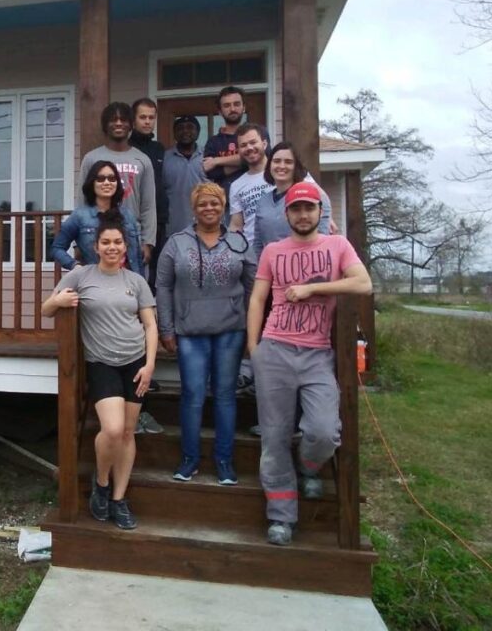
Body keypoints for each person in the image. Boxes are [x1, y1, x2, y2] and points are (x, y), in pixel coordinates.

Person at [246, 182, 372, 546]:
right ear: (287, 214)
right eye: (296, 209)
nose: (303, 215)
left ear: (320, 211)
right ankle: (281, 516)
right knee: (274, 437)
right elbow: (258, 299)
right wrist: (254, 348)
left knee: (322, 431)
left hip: (317, 354)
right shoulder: (273, 250)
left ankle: (309, 465)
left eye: (309, 208)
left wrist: (315, 289)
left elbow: (362, 284)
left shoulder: (337, 246)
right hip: (275, 351)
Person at [43, 211, 158, 530]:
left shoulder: (136, 281)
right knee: (111, 429)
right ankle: (102, 483)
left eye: (117, 242)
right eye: (106, 242)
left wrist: (149, 365)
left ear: (125, 247)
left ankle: (119, 499)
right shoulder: (81, 276)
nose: (112, 247)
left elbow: (149, 325)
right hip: (102, 363)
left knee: (126, 433)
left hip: (135, 363)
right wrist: (61, 300)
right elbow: (46, 308)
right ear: (95, 247)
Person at [156, 182, 255, 486]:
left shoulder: (239, 243)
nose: (209, 209)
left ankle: (224, 461)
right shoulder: (176, 243)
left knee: (225, 396)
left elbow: (254, 287)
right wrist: (167, 328)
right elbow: (163, 286)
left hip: (231, 331)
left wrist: (253, 330)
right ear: (194, 208)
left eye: (215, 203)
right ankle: (190, 459)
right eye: (202, 204)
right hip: (190, 332)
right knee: (193, 396)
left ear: (223, 206)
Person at [79, 102, 157, 264]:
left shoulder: (142, 160)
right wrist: (77, 241)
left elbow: (148, 205)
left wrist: (148, 242)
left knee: (132, 286)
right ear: (105, 125)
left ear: (131, 125)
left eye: (123, 120)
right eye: (113, 120)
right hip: (97, 232)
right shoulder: (91, 158)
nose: (119, 123)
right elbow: (83, 201)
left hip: (132, 233)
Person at [51, 160, 144, 276]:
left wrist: (141, 285)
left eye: (112, 178)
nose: (107, 182)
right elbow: (57, 248)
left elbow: (137, 258)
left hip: (128, 284)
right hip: (96, 282)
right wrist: (74, 265)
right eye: (100, 179)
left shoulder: (128, 215)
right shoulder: (80, 216)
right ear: (92, 183)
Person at [252, 142, 332, 262]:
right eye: (277, 161)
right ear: (269, 165)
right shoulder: (262, 201)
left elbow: (321, 239)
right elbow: (258, 243)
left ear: (296, 166)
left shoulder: (313, 196)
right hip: (272, 269)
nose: (282, 166)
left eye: (288, 162)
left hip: (305, 267)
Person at [128, 98, 168, 288]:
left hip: (158, 218)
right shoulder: (126, 148)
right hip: (132, 219)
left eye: (151, 117)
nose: (147, 121)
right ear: (133, 120)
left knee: (157, 272)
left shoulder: (159, 149)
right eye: (142, 117)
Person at [227, 123, 273, 244]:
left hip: (283, 249)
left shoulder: (284, 170)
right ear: (239, 150)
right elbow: (236, 225)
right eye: (243, 145)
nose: (249, 148)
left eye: (253, 142)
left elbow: (319, 198)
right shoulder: (236, 185)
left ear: (264, 144)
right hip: (252, 253)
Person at [163, 115, 208, 235]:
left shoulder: (208, 156)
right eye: (180, 128)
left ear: (198, 132)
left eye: (190, 127)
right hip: (174, 229)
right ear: (174, 133)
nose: (185, 131)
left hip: (206, 226)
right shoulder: (164, 159)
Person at [202, 86, 248, 195]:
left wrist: (216, 161)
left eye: (236, 104)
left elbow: (263, 157)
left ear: (244, 107)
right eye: (227, 105)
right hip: (225, 204)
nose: (232, 109)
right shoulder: (213, 142)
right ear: (220, 111)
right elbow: (212, 173)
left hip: (254, 201)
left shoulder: (256, 134)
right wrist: (246, 162)